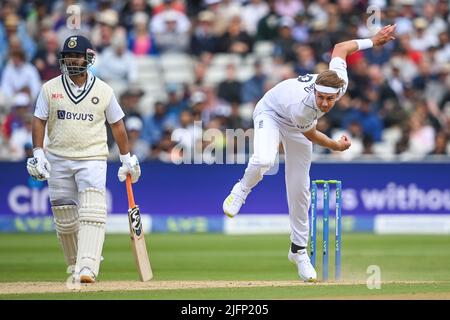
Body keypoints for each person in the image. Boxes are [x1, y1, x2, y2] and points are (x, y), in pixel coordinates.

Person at [222, 25, 396, 281]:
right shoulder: (304, 106)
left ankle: (298, 251)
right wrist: (336, 146)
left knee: (300, 190)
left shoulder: (340, 81)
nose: (325, 103)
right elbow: (312, 135)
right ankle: (241, 190)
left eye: (330, 99)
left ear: (339, 92)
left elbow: (341, 48)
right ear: (315, 90)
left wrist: (373, 40)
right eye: (321, 97)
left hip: (299, 126)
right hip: (272, 113)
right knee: (264, 160)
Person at [26, 35, 141, 284]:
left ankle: (88, 267)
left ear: (88, 58)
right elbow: (39, 120)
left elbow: (117, 125)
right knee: (65, 218)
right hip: (58, 157)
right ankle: (76, 264)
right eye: (68, 56)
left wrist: (126, 158)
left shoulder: (104, 90)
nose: (72, 60)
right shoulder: (50, 88)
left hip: (92, 157)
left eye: (77, 55)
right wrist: (38, 152)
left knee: (92, 211)